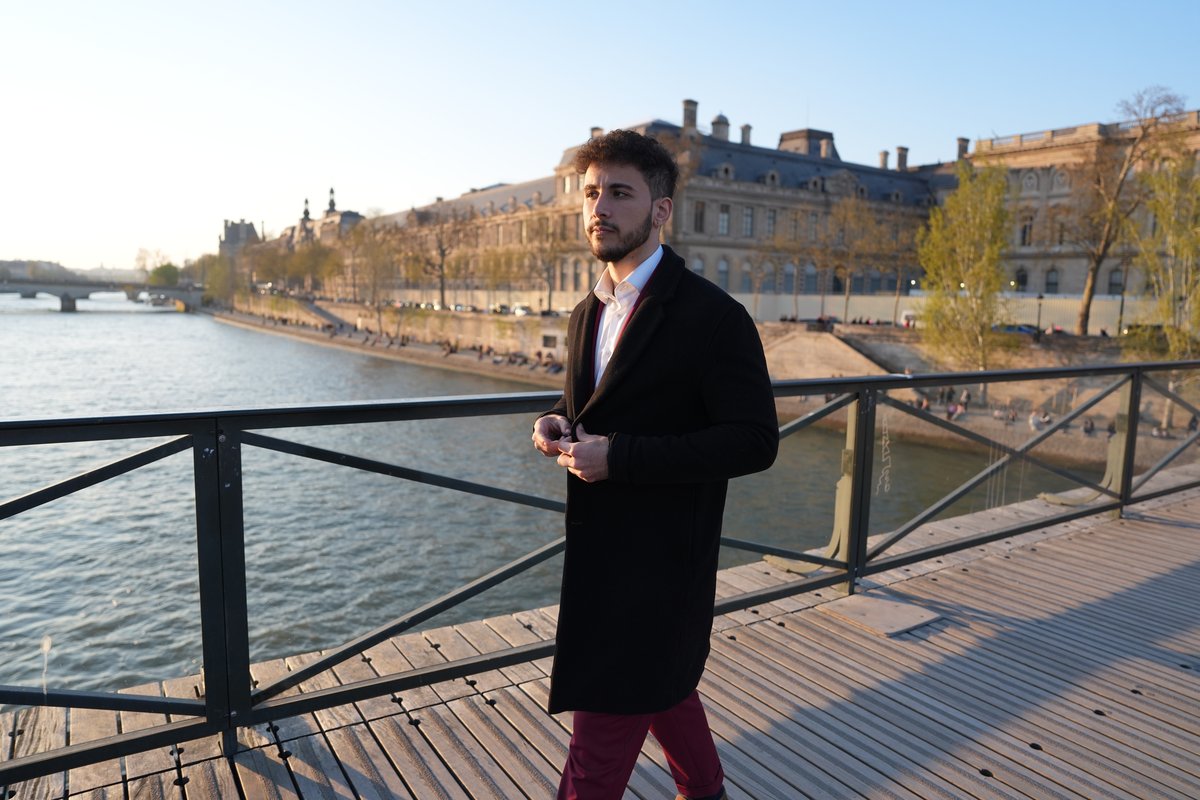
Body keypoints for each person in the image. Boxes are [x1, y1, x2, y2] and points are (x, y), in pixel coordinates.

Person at [531, 129, 778, 800]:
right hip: (599, 555)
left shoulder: (714, 318)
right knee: (665, 691)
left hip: (662, 567)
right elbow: (601, 401)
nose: (598, 209)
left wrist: (624, 458)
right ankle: (705, 791)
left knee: (596, 756)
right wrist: (559, 419)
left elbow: (755, 441)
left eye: (618, 193)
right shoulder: (589, 310)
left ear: (660, 210)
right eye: (589, 193)